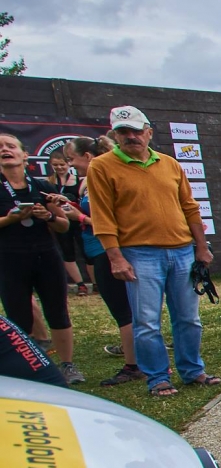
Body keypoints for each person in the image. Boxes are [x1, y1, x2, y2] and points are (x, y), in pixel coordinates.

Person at [86, 105, 217, 396]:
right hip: (139, 252)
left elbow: (190, 207)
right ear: (115, 135)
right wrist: (115, 257)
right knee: (146, 321)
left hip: (181, 250)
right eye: (123, 132)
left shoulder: (170, 164)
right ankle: (157, 377)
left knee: (189, 318)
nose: (131, 137)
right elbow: (102, 216)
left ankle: (192, 370)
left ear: (148, 133)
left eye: (136, 131)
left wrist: (201, 246)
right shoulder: (102, 166)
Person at [0, 133, 83, 384]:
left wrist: (48, 216)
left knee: (58, 311)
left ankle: (68, 365)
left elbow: (63, 225)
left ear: (25, 155)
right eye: (0, 147)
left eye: (10, 146)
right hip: (9, 258)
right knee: (18, 316)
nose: (5, 150)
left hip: (46, 255)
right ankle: (26, 369)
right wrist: (10, 219)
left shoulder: (42, 187)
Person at [66, 136, 141, 385]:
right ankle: (135, 357)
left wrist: (79, 217)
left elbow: (109, 220)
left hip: (109, 250)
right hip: (99, 249)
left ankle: (134, 364)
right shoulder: (89, 180)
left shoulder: (105, 176)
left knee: (124, 310)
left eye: (72, 159)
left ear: (88, 156)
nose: (71, 165)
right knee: (125, 309)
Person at [48, 150, 91, 295]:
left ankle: (96, 283)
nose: (59, 167)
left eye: (62, 164)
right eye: (55, 165)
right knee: (67, 253)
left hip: (78, 220)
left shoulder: (79, 180)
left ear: (68, 164)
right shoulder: (48, 182)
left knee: (87, 254)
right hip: (61, 220)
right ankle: (80, 284)